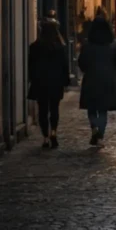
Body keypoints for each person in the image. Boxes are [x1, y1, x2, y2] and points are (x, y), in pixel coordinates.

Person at [78, 7, 116, 148]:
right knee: (103, 109)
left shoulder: (87, 45)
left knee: (92, 108)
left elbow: (82, 63)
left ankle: (94, 128)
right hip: (109, 80)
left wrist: (87, 69)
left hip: (92, 79)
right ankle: (100, 134)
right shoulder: (112, 44)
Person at [28, 16, 70, 148]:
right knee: (54, 109)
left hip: (40, 82)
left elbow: (31, 66)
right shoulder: (59, 47)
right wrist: (65, 81)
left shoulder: (35, 47)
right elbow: (64, 66)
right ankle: (53, 132)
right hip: (55, 83)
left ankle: (45, 137)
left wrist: (32, 79)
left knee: (43, 110)